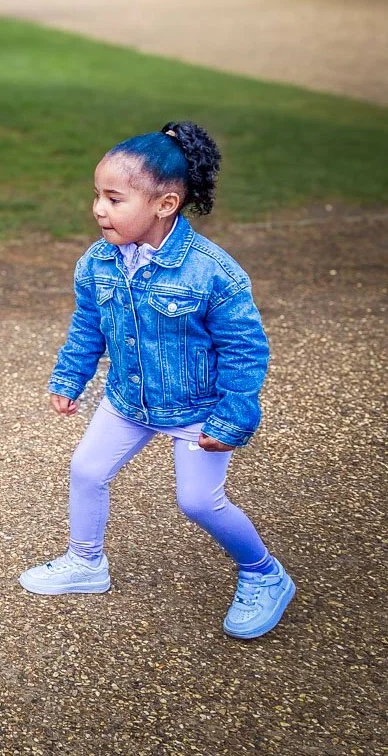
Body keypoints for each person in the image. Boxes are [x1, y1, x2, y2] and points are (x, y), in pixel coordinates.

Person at [19, 122, 295, 640]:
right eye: (96, 196)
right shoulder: (96, 262)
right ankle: (86, 564)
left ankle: (264, 574)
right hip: (128, 400)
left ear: (165, 204)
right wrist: (70, 377)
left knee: (197, 501)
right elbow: (87, 327)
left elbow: (245, 349)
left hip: (199, 409)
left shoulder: (214, 273)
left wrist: (235, 414)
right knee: (86, 469)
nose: (99, 209)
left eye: (114, 198)